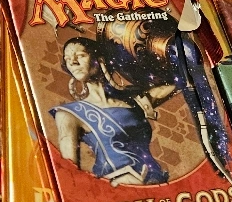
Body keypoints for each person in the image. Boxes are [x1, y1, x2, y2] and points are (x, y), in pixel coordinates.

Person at [51, 37, 170, 186]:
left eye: (80, 55)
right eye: (68, 59)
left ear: (99, 60)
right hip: (117, 187)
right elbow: (69, 175)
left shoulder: (133, 101)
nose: (73, 62)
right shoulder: (69, 114)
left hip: (156, 182)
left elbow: (178, 83)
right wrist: (115, 183)